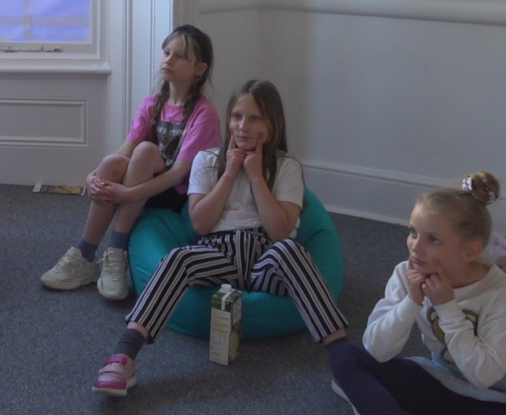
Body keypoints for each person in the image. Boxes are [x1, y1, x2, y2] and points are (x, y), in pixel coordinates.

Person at [92, 79, 348, 396]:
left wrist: (255, 175)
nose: (243, 127)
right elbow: (199, 224)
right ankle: (124, 356)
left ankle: (344, 361)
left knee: (290, 252)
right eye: (237, 116)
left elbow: (280, 231)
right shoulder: (208, 160)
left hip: (265, 256)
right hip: (217, 252)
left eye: (255, 118)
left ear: (275, 124)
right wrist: (229, 173)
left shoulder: (285, 166)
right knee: (176, 258)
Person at [328, 172, 506, 415]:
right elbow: (377, 350)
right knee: (345, 356)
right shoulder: (405, 273)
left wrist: (447, 306)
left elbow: (484, 376)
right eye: (413, 232)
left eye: (433, 239)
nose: (415, 247)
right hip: (442, 379)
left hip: (502, 397)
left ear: (471, 251)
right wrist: (411, 301)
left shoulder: (501, 291)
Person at [41, 24, 219, 300]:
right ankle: (85, 255)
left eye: (180, 56)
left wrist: (127, 193)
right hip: (144, 182)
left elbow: (179, 174)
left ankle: (117, 250)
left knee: (147, 151)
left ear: (199, 69)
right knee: (113, 163)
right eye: (166, 52)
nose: (168, 60)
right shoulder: (152, 103)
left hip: (176, 195)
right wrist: (93, 176)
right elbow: (126, 150)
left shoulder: (204, 113)